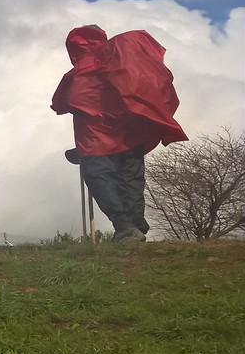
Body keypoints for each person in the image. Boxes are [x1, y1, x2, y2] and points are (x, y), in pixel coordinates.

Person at [51, 25, 188, 241]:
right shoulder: (119, 62)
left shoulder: (78, 73)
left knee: (100, 179)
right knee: (131, 179)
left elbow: (61, 102)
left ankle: (125, 227)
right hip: (128, 136)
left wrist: (82, 151)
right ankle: (136, 224)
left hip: (95, 141)